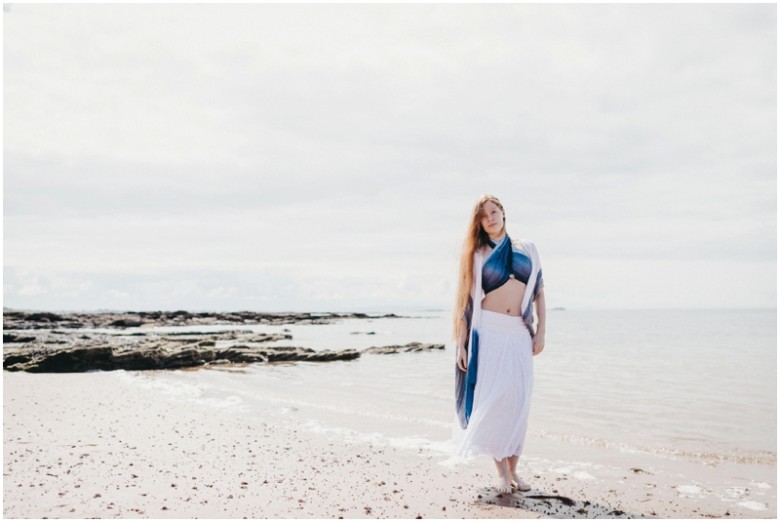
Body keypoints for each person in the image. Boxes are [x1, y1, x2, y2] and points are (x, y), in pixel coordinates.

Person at [452, 194, 546, 494]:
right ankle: (502, 473)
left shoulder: (527, 248)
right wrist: (462, 345)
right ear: (478, 222)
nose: (490, 218)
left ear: (504, 213)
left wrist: (542, 330)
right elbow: (466, 302)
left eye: (494, 212)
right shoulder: (477, 254)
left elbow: (540, 292)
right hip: (489, 332)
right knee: (495, 402)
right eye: (483, 215)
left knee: (519, 403)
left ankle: (515, 471)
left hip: (519, 332)